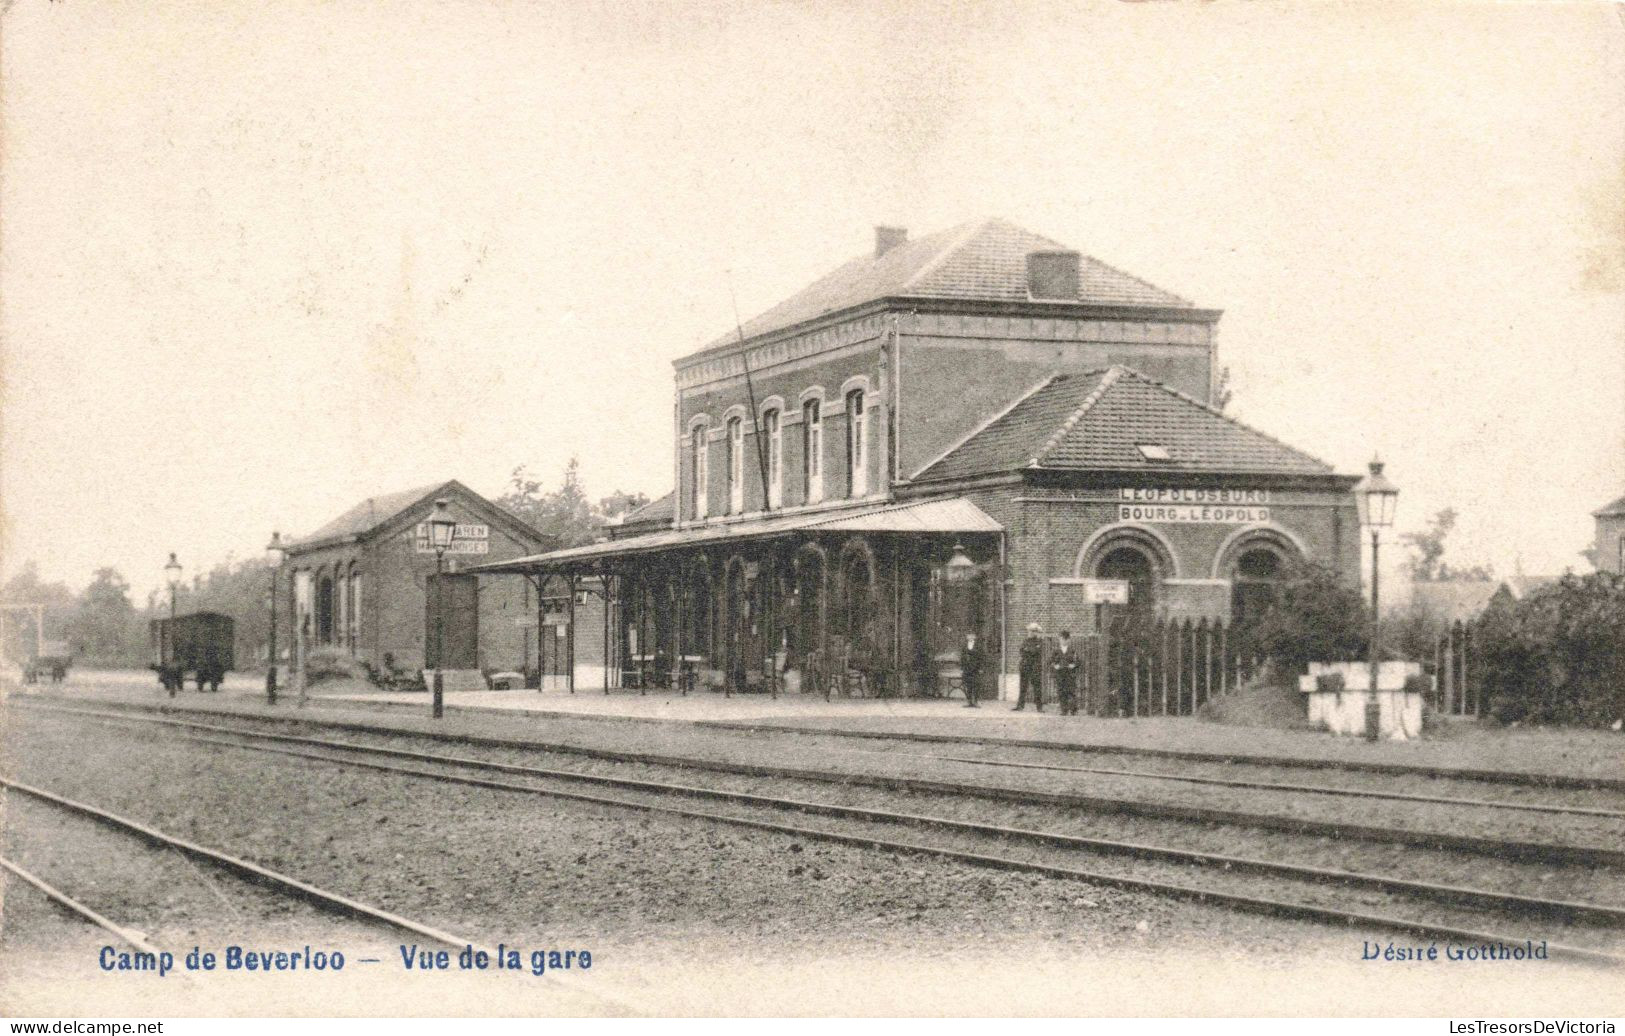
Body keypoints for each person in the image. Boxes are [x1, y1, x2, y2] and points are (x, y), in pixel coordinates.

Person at [1014, 621, 1045, 711]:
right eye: (1029, 631)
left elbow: (1034, 651)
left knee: (1037, 688)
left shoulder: (1039, 641)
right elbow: (1022, 651)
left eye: (1032, 631)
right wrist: (1028, 651)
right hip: (1025, 667)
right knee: (1023, 687)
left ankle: (1039, 707)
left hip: (1035, 667)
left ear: (1036, 632)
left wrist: (1028, 650)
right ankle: (1020, 706)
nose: (1030, 632)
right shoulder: (1025, 641)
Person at [1051, 629, 1080, 715]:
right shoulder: (1056, 651)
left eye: (1065, 639)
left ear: (1068, 640)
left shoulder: (1073, 651)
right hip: (1060, 674)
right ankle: (1064, 710)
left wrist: (1074, 665)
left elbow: (1078, 661)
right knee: (1061, 692)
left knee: (1071, 691)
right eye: (1061, 639)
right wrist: (1055, 666)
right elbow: (1050, 661)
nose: (1062, 641)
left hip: (1070, 674)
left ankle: (1073, 710)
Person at [959, 632, 983, 708]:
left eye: (972, 635)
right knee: (968, 685)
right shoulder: (964, 646)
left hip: (975, 668)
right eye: (969, 635)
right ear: (967, 637)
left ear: (975, 636)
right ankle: (969, 701)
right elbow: (962, 657)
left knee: (976, 685)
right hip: (967, 668)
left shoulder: (979, 646)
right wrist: (962, 668)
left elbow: (981, 657)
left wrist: (981, 668)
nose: (970, 637)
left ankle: (975, 701)